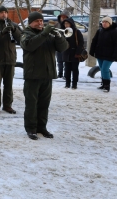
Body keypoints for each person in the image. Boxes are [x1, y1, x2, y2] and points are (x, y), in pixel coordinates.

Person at [20, 12, 68, 140]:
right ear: (30, 23)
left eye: (41, 21)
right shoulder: (26, 34)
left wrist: (59, 37)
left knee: (44, 104)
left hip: (47, 74)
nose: (40, 23)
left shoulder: (48, 34)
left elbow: (63, 48)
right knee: (32, 104)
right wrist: (45, 33)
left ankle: (42, 127)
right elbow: (30, 46)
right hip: (33, 75)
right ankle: (31, 129)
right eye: (37, 21)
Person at [89, 16, 117, 92]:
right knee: (101, 69)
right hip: (100, 53)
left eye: (106, 22)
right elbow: (94, 41)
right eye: (103, 22)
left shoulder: (115, 32)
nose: (104, 24)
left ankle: (107, 86)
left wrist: (115, 55)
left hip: (109, 55)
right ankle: (103, 84)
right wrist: (92, 51)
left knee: (105, 69)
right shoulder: (100, 31)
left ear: (110, 23)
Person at [61, 18, 84, 89]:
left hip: (75, 53)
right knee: (67, 69)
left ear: (71, 24)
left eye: (67, 23)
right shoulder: (64, 31)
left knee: (74, 69)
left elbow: (81, 43)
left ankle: (74, 84)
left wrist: (78, 52)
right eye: (65, 24)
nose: (66, 25)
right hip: (66, 53)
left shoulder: (77, 32)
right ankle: (67, 83)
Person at [54, 10, 70, 79]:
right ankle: (60, 73)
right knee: (59, 60)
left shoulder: (69, 25)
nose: (63, 18)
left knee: (66, 61)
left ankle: (66, 74)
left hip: (66, 45)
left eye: (64, 17)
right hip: (58, 45)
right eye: (62, 17)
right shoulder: (57, 24)